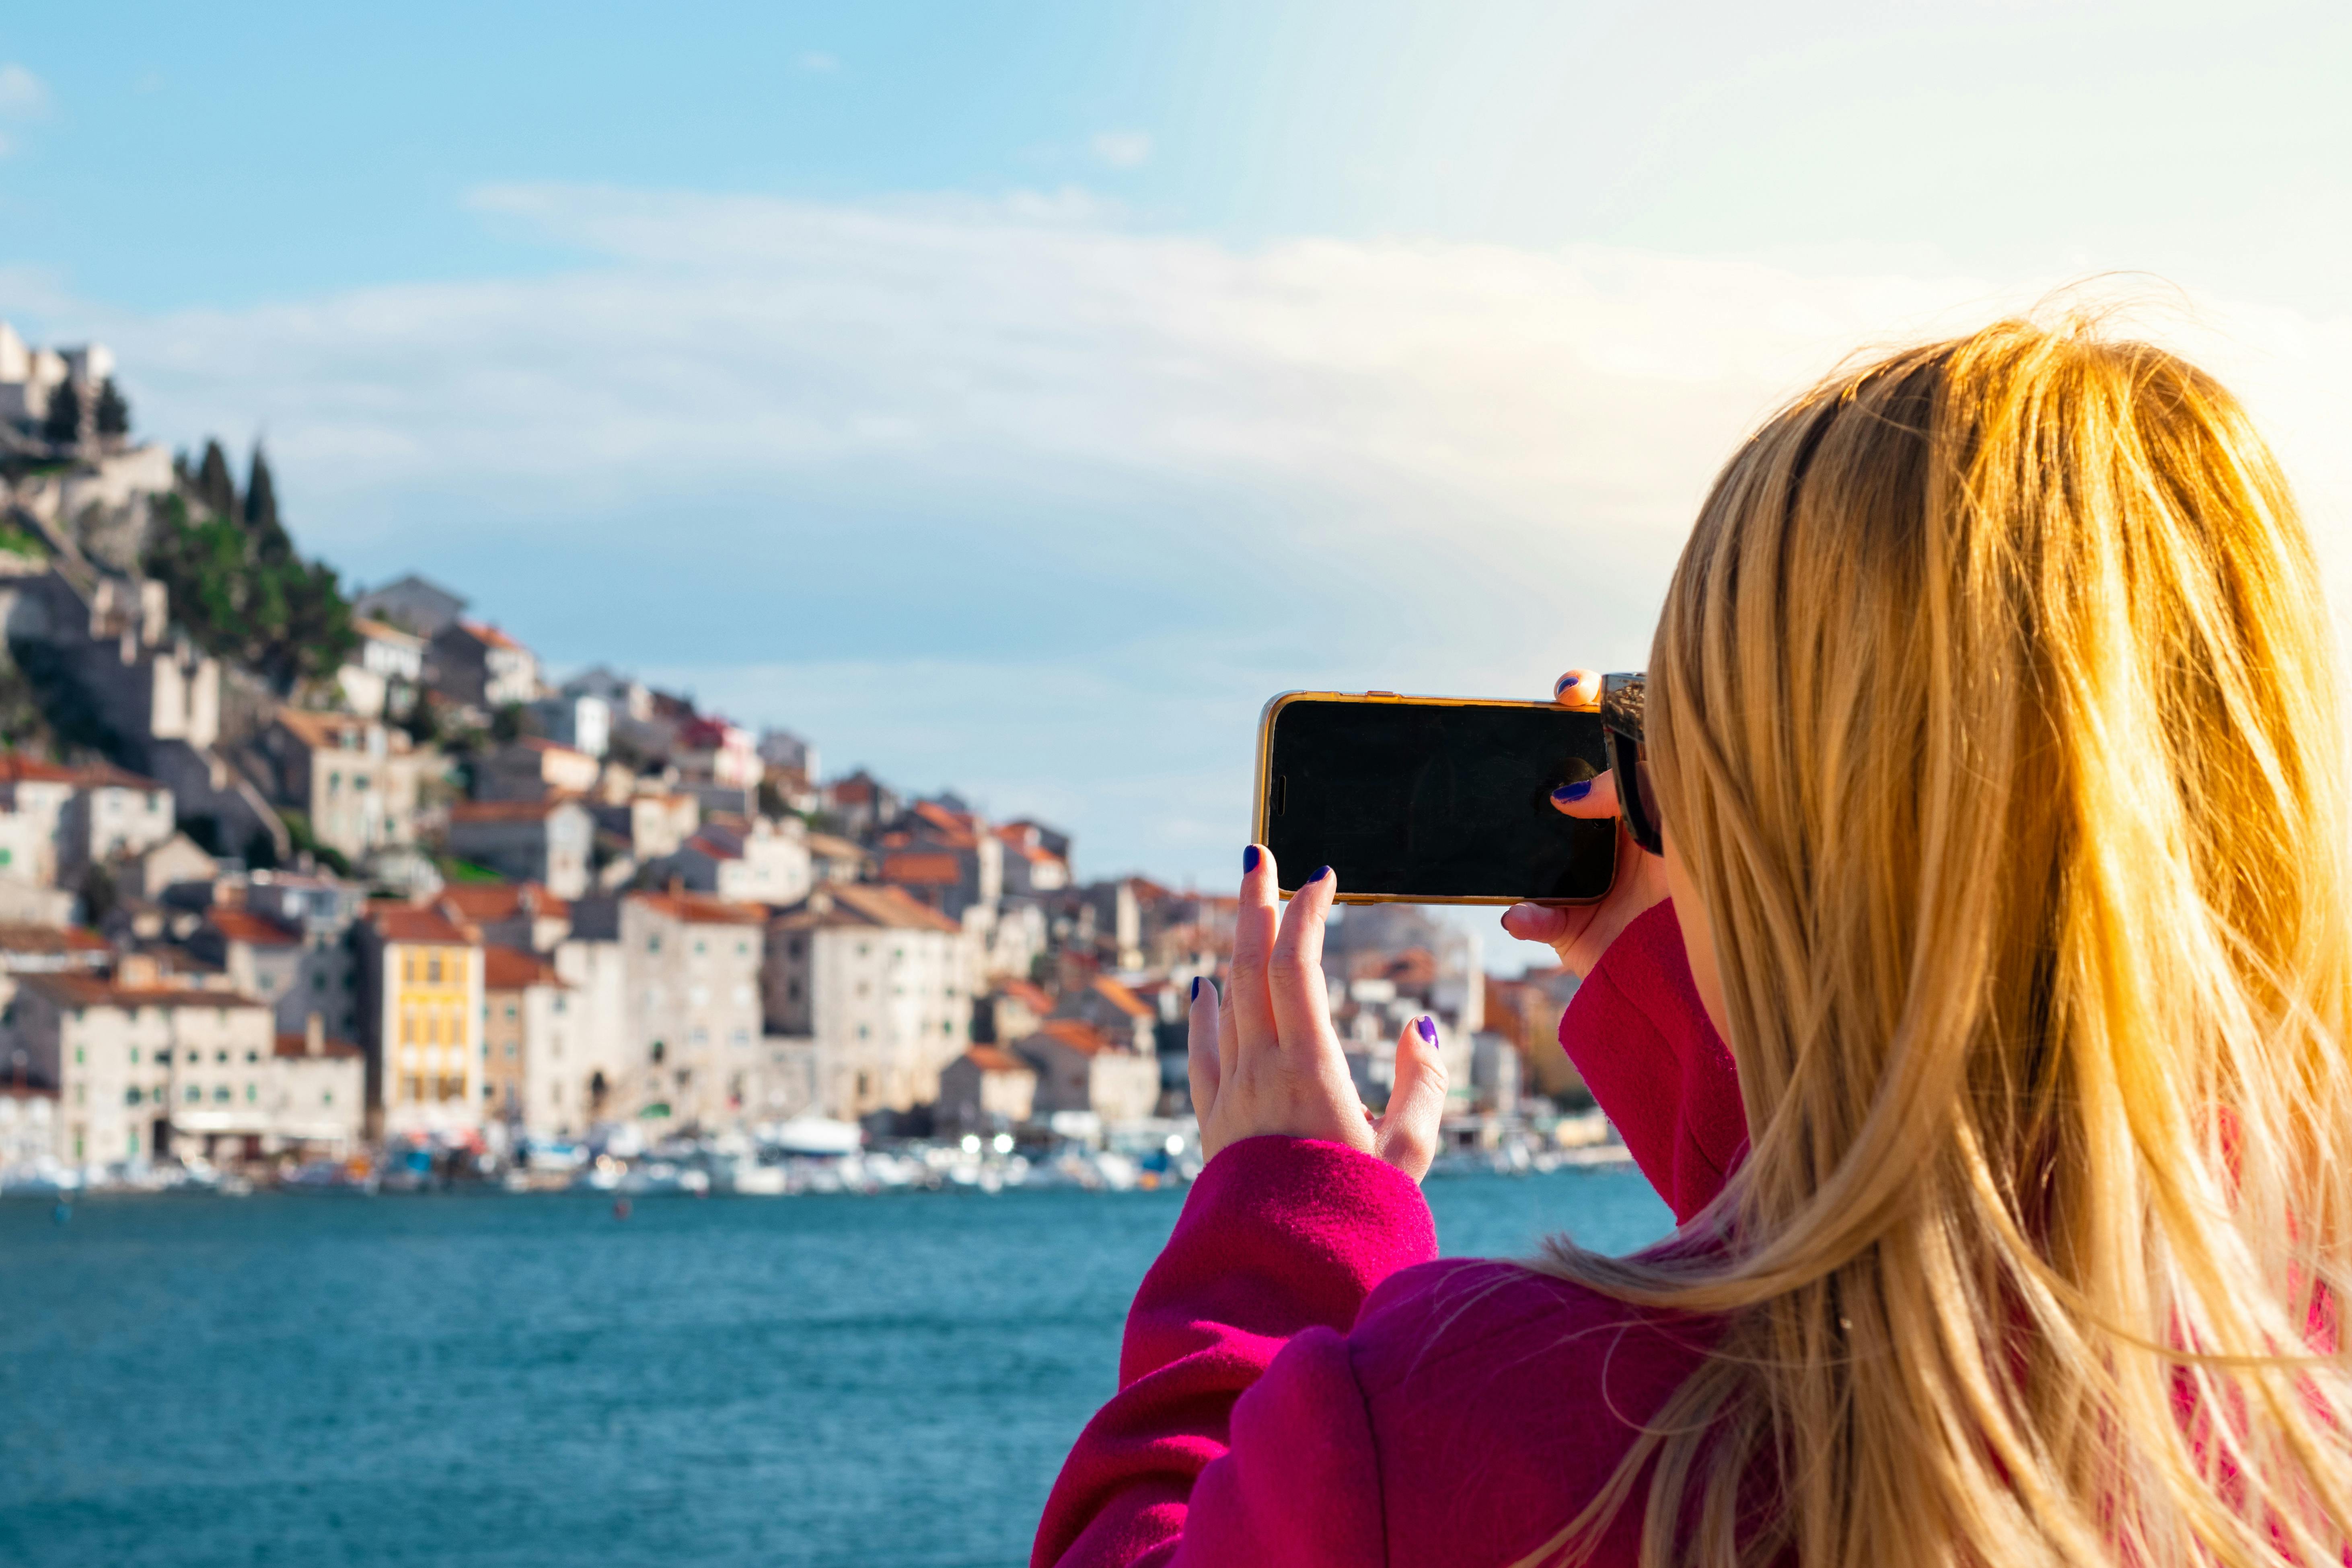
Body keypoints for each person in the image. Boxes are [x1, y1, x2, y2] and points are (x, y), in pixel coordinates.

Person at [1032, 318, 2352, 1567]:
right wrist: (1675, 997)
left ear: (1765, 813)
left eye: (1676, 743)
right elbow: (1915, 1262)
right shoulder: (2306, 1364)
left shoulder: (1451, 1427)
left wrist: (1280, 1225)